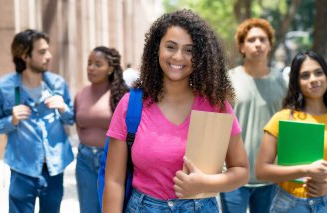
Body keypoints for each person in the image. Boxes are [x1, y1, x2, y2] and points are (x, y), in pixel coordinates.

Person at [102, 9, 250, 213]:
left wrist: (206, 184)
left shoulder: (216, 106)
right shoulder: (131, 105)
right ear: (157, 49)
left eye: (189, 50)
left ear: (201, 56)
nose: (178, 57)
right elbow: (114, 180)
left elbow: (241, 171)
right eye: (171, 47)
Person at [256, 51, 327, 213]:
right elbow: (262, 171)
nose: (313, 79)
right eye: (305, 75)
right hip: (288, 206)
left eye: (319, 73)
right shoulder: (282, 119)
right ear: (297, 82)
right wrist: (306, 170)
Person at [0, 29, 74, 212]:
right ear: (24, 55)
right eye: (42, 52)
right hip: (22, 169)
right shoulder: (5, 87)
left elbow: (72, 119)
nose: (49, 56)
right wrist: (10, 121)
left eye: (48, 50)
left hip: (54, 168)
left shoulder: (57, 84)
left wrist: (63, 108)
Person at [219, 18, 287, 213]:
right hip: (234, 174)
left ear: (270, 46)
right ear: (241, 46)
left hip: (271, 175)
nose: (257, 44)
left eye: (262, 39)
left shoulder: (281, 81)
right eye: (251, 40)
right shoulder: (229, 80)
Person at [74, 46, 129, 213]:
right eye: (89, 63)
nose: (91, 68)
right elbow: (78, 125)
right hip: (84, 160)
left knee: (113, 208)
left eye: (98, 64)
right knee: (88, 209)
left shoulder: (121, 95)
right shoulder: (81, 94)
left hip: (113, 159)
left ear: (110, 68)